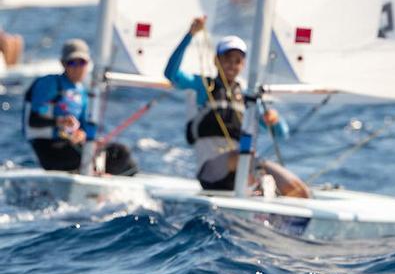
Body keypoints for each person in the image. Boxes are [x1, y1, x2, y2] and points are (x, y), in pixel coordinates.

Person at [164, 16, 311, 198]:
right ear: (216, 60)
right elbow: (170, 73)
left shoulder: (248, 98)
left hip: (240, 174)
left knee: (298, 189)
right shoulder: (203, 87)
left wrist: (275, 120)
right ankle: (260, 189)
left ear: (243, 65)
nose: (232, 65)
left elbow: (282, 134)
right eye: (227, 59)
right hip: (211, 172)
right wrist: (190, 35)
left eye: (237, 61)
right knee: (246, 157)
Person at [24, 39, 138, 175]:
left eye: (82, 62)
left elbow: (85, 129)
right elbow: (34, 121)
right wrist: (59, 122)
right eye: (72, 62)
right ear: (63, 64)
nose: (78, 68)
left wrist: (90, 139)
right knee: (89, 157)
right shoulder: (49, 84)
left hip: (75, 147)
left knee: (122, 155)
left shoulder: (82, 92)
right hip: (49, 148)